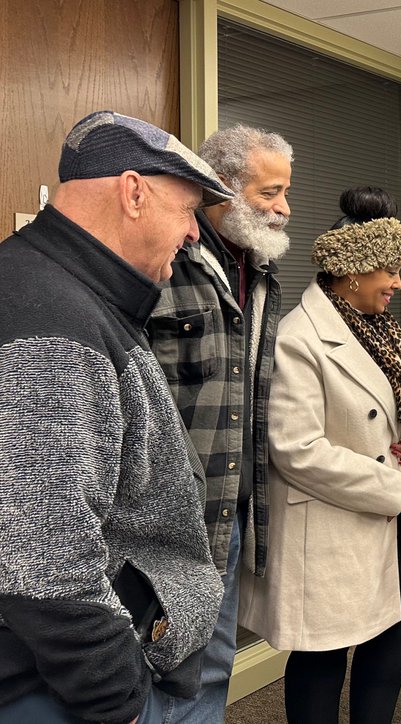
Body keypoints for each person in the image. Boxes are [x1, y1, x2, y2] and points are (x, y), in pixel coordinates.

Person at [0, 110, 230, 722]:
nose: (192, 237)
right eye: (186, 211)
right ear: (133, 192)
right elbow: (43, 561)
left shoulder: (65, 290)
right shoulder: (52, 322)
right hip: (58, 692)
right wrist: (116, 699)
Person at [238, 187, 401, 723]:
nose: (397, 284)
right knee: (322, 662)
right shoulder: (299, 337)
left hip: (387, 527)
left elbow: (398, 408)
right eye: (388, 272)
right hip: (332, 526)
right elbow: (295, 448)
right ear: (352, 272)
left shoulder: (385, 332)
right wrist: (391, 486)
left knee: (390, 649)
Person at [147, 124, 293, 719]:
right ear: (222, 189)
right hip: (159, 521)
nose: (283, 209)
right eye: (270, 193)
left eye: (285, 193)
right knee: (155, 670)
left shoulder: (258, 275)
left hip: (227, 507)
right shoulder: (164, 264)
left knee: (213, 665)